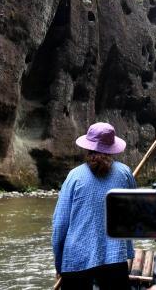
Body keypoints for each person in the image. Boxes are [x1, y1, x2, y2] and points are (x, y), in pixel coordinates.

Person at [52, 122, 136, 289]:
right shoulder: (125, 173)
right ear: (112, 148)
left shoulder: (74, 177)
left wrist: (59, 262)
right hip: (115, 259)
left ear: (88, 148)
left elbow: (60, 224)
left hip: (76, 261)